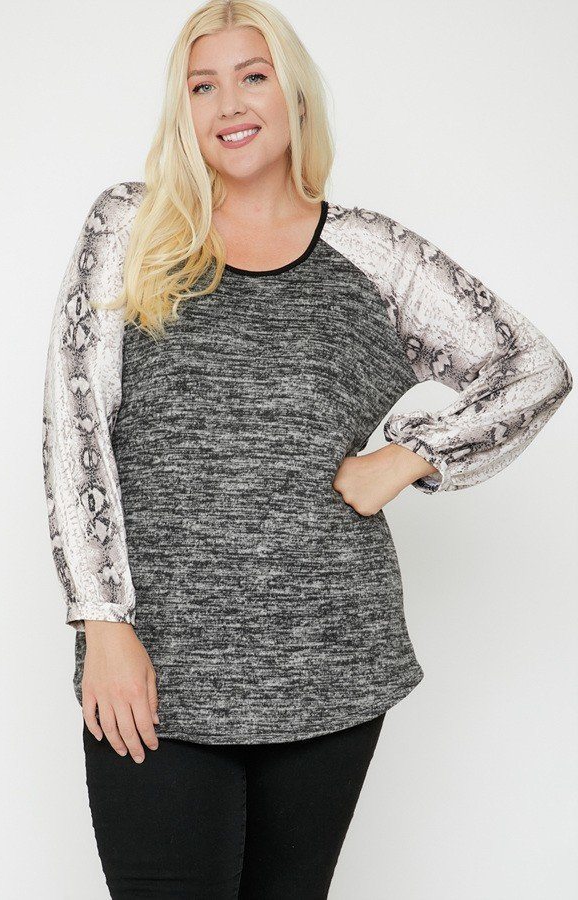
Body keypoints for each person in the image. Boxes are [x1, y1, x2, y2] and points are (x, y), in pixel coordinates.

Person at [41, 1, 573, 897]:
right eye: (201, 86)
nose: (229, 103)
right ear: (182, 109)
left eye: (252, 76)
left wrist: (408, 454)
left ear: (293, 95)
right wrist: (103, 620)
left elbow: (533, 368)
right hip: (156, 663)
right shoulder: (132, 228)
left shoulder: (373, 253)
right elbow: (75, 424)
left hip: (332, 657)